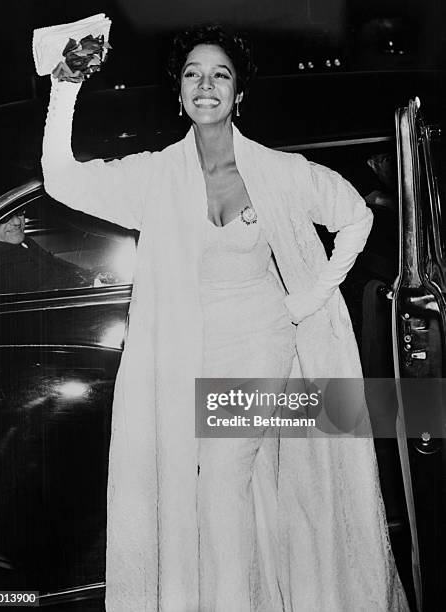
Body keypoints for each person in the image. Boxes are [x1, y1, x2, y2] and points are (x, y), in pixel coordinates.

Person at [41, 23, 409, 611]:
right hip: (189, 351)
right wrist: (65, 86)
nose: (205, 85)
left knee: (217, 485)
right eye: (193, 74)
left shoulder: (278, 172)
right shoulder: (156, 175)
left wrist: (306, 301)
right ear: (180, 93)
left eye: (220, 74)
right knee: (211, 498)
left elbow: (354, 217)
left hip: (262, 344)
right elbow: (62, 178)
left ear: (239, 94)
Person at [0, 210, 91, 296]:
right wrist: (92, 282)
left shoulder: (22, 241)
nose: (17, 221)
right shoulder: (0, 263)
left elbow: (53, 262)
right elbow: (51, 286)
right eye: (5, 217)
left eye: (19, 213)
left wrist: (90, 274)